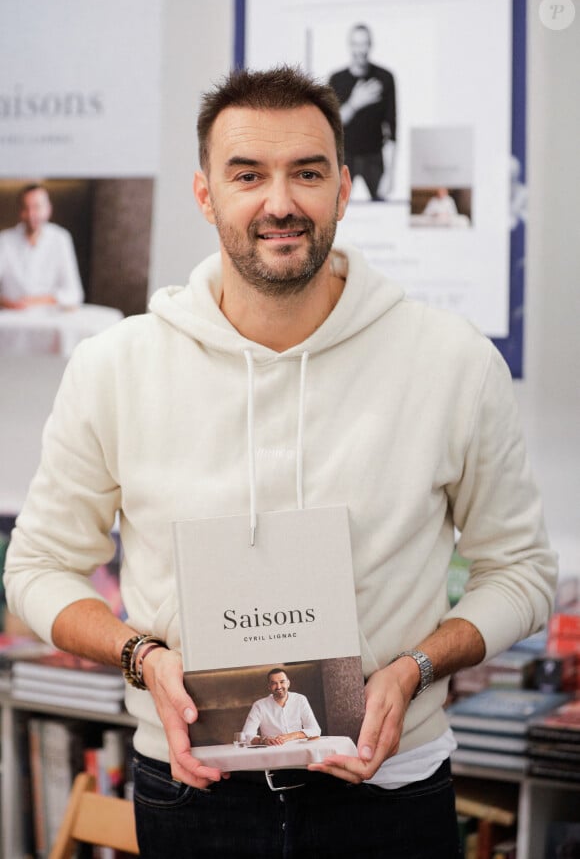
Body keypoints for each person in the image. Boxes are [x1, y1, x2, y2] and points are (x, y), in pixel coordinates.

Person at [4, 65, 557, 858]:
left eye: (307, 172)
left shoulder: (451, 362)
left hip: (391, 791)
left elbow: (523, 572)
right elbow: (38, 567)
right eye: (247, 175)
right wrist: (142, 658)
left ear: (342, 187)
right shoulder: (115, 366)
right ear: (205, 195)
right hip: (192, 794)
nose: (280, 202)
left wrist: (414, 668)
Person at [329, 23, 396, 201]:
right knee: (336, 212)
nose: (360, 50)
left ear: (371, 45)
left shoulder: (385, 78)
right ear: (350, 45)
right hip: (345, 157)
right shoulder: (337, 80)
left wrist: (390, 173)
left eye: (364, 44)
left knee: (382, 209)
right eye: (356, 44)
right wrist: (354, 103)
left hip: (374, 157)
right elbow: (330, 126)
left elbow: (391, 128)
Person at [0, 183, 84, 310]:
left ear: (48, 209)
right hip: (11, 318)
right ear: (20, 211)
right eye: (26, 208)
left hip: (49, 318)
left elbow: (74, 294)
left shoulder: (60, 238)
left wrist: (35, 301)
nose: (31, 214)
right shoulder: (5, 240)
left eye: (37, 207)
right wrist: (8, 303)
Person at [242, 668, 322, 746]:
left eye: (282, 682)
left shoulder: (300, 699)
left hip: (299, 748)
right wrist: (263, 740)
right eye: (274, 683)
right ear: (269, 686)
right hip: (273, 751)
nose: (278, 686)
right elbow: (246, 735)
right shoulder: (259, 705)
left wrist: (292, 736)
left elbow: (315, 730)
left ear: (288, 683)